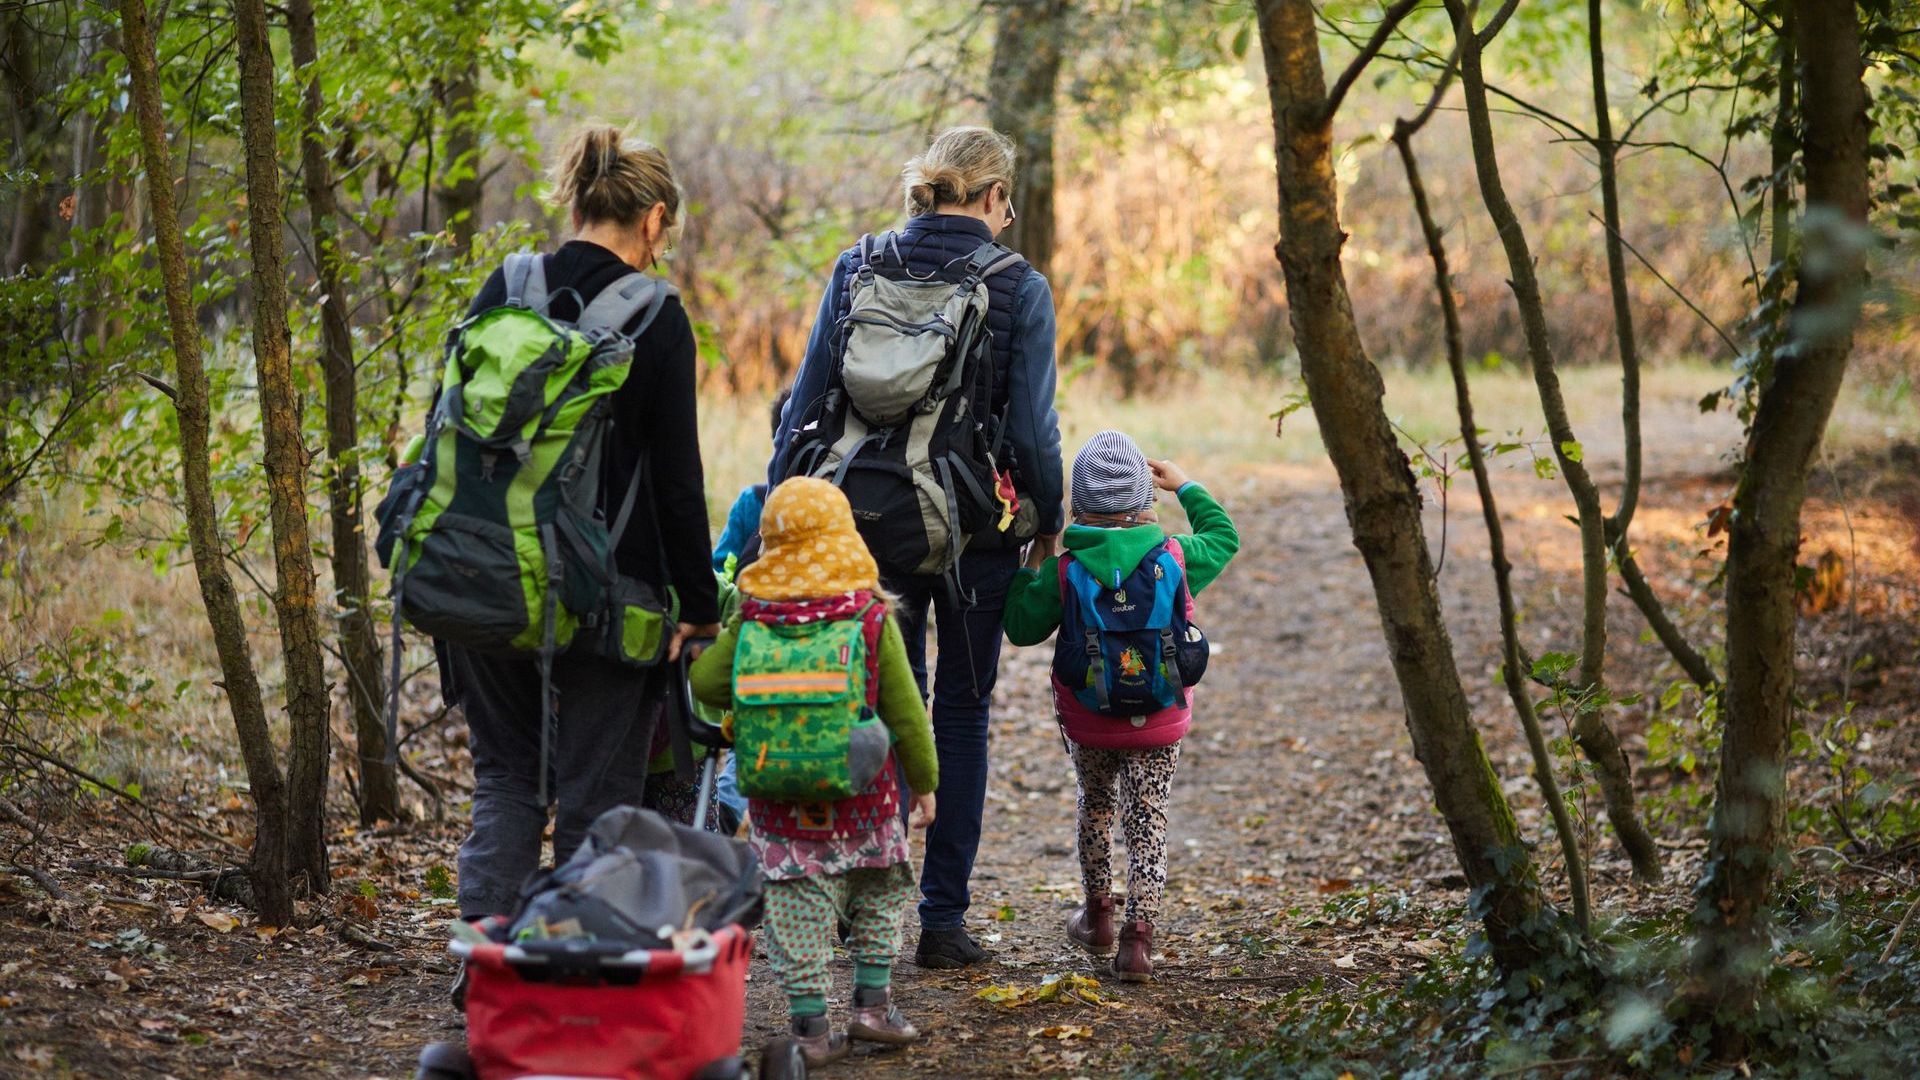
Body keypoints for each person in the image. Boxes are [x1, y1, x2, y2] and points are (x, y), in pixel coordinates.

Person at [770, 126, 1065, 969]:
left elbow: (807, 398)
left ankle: (859, 911)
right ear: (993, 198)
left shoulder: (859, 264)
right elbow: (1037, 429)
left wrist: (782, 502)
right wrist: (1046, 516)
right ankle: (940, 924)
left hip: (862, 526)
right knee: (960, 716)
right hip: (974, 532)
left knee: (875, 708)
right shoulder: (1017, 286)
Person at [447, 125, 721, 922]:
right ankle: (571, 967)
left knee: (506, 780)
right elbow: (678, 480)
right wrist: (699, 608)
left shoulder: (507, 284)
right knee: (596, 799)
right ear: (653, 218)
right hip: (608, 598)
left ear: (578, 200)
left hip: (486, 575)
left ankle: (488, 955)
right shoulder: (658, 318)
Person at [690, 478, 938, 1066]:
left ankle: (809, 1029)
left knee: (797, 912)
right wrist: (924, 783)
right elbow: (905, 711)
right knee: (877, 895)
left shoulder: (753, 617)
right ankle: (874, 1008)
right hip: (866, 799)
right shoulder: (871, 617)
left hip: (780, 803)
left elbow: (705, 684)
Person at [1002, 432, 1239, 982]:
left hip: (1089, 721)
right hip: (1160, 719)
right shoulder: (1175, 556)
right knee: (1148, 816)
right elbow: (1224, 536)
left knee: (1096, 804)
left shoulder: (1065, 570)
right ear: (1147, 503)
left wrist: (1032, 560)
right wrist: (1186, 484)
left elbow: (1018, 626)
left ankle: (1098, 917)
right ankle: (1138, 943)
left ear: (1079, 507)